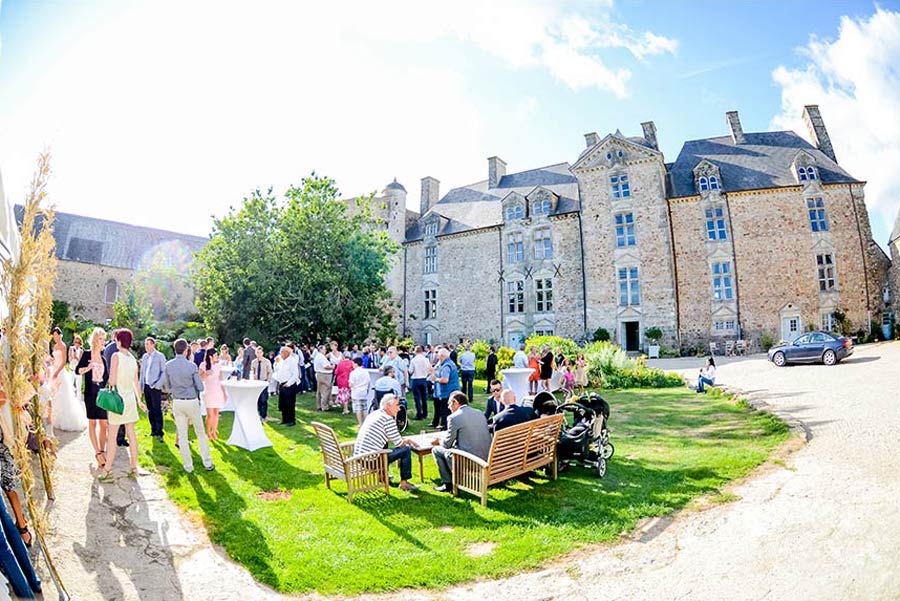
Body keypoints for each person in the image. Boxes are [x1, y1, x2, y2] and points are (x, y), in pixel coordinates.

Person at [99, 329, 146, 482]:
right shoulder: (133, 359)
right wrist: (140, 401)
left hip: (117, 402)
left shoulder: (115, 356)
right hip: (130, 401)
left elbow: (111, 381)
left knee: (111, 437)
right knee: (131, 434)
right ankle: (134, 468)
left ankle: (107, 471)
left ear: (119, 341)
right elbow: (136, 383)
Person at [162, 338, 214, 473]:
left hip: (178, 402)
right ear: (186, 350)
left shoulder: (168, 365)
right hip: (191, 401)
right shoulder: (191, 366)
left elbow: (167, 387)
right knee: (200, 432)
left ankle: (188, 466)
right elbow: (200, 387)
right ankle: (207, 463)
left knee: (183, 435)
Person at [353, 394, 417, 492]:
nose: (399, 409)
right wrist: (407, 441)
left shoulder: (375, 414)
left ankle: (382, 476)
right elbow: (399, 444)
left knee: (385, 445)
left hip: (359, 457)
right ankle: (404, 483)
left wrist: (400, 439)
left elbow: (387, 436)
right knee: (406, 449)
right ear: (388, 405)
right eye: (396, 405)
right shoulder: (387, 419)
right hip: (371, 460)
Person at [431, 391, 491, 492]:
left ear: (455, 402)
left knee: (436, 450)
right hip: (486, 457)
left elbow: (446, 444)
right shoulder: (479, 413)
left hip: (471, 461)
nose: (449, 407)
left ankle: (448, 484)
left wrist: (439, 441)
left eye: (449, 404)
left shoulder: (453, 418)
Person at [77, 328, 109, 468]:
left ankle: (102, 450)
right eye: (102, 338)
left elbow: (107, 377)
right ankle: (97, 452)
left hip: (101, 393)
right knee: (93, 423)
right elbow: (78, 371)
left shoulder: (103, 358)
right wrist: (88, 368)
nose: (104, 341)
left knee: (104, 424)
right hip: (90, 393)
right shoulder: (87, 354)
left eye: (104, 339)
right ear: (96, 340)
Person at [50, 326, 87, 432]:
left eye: (56, 335)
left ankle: (66, 419)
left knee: (63, 394)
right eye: (54, 335)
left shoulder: (63, 346)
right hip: (54, 370)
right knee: (55, 394)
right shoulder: (54, 346)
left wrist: (56, 372)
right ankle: (56, 418)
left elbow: (63, 361)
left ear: (60, 335)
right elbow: (55, 359)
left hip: (60, 372)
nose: (55, 337)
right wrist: (51, 362)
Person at [103, 332, 128, 448]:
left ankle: (113, 435)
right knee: (120, 408)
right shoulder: (119, 349)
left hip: (110, 380)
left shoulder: (107, 348)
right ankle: (120, 436)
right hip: (120, 381)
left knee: (112, 409)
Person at [140, 337, 167, 442]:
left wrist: (158, 384)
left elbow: (163, 372)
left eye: (148, 344)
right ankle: (153, 430)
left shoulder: (160, 356)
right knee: (150, 409)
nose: (146, 346)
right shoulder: (145, 356)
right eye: (145, 344)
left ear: (153, 345)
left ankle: (160, 431)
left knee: (157, 409)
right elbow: (142, 372)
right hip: (146, 386)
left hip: (155, 386)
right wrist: (141, 386)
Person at [430, 348, 459, 430]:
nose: (437, 356)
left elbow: (445, 380)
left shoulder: (446, 366)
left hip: (447, 392)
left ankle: (445, 427)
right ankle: (444, 425)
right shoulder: (447, 363)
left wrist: (436, 379)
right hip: (447, 391)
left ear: (442, 356)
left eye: (438, 354)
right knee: (444, 409)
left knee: (445, 410)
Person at [200, 348, 225, 440]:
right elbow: (200, 378)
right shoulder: (203, 365)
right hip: (208, 391)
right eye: (215, 355)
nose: (217, 357)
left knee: (216, 413)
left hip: (217, 391)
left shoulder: (218, 365)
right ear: (210, 356)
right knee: (210, 414)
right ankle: (208, 432)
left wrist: (224, 393)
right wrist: (206, 374)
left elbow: (220, 379)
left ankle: (214, 431)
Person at [272, 346, 300, 426]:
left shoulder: (292, 361)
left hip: (289, 385)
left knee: (290, 403)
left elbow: (295, 374)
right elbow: (277, 370)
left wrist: (289, 383)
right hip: (282, 383)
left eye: (282, 352)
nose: (280, 354)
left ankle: (291, 420)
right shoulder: (281, 360)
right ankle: (284, 419)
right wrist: (276, 363)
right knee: (283, 403)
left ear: (286, 353)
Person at [408, 346, 430, 421]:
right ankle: (425, 413)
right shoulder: (426, 360)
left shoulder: (413, 360)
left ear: (415, 351)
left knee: (417, 398)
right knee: (424, 397)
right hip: (423, 379)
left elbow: (410, 371)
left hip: (416, 379)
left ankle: (419, 414)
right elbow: (429, 369)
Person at [251, 346, 273, 420]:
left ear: (262, 353)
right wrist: (253, 377)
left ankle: (264, 415)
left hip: (264, 382)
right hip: (256, 382)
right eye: (257, 352)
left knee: (264, 399)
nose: (259, 354)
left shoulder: (267, 362)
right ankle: (259, 414)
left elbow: (270, 372)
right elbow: (252, 372)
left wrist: (268, 382)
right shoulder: (253, 362)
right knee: (257, 399)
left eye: (260, 352)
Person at [348, 357, 370, 426]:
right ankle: (366, 423)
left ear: (356, 364)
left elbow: (351, 384)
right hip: (364, 392)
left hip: (356, 392)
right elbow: (368, 381)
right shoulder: (365, 372)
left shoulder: (353, 373)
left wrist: (350, 385)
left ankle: (360, 423)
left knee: (358, 408)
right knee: (364, 408)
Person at [313, 344, 334, 411]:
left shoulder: (317, 356)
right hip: (325, 375)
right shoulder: (321, 357)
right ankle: (324, 406)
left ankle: (319, 405)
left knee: (319, 391)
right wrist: (332, 367)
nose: (325, 351)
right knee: (325, 390)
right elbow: (326, 366)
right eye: (324, 349)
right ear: (321, 350)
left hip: (319, 374)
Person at [68, 333, 84, 402]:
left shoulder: (81, 351)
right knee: (71, 386)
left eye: (78, 342)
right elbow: (69, 359)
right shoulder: (71, 348)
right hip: (71, 370)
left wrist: (76, 356)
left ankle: (78, 402)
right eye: (75, 342)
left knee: (78, 388)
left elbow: (80, 361)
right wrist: (72, 356)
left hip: (78, 371)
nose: (76, 344)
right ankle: (70, 401)